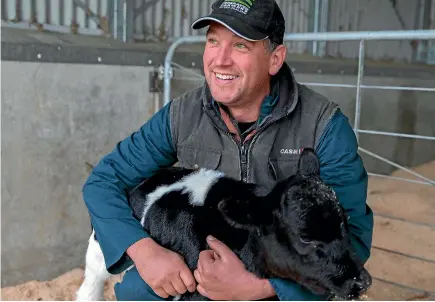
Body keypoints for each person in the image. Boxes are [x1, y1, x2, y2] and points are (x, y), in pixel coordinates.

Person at [82, 0, 374, 300]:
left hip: (278, 278)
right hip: (202, 264)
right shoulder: (182, 115)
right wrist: (144, 253)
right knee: (138, 291)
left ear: (275, 59)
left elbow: (352, 233)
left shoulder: (323, 125)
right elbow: (103, 182)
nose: (220, 60)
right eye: (213, 41)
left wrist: (260, 288)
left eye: (240, 46)